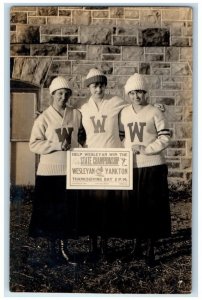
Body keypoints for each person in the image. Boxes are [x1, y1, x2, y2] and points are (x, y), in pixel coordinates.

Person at [29, 76, 84, 265]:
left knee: (66, 212)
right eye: (59, 93)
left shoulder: (76, 114)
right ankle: (52, 251)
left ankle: (64, 248)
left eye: (66, 93)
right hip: (49, 172)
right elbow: (34, 144)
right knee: (50, 213)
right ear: (52, 94)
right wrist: (54, 145)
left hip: (70, 170)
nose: (63, 97)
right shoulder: (44, 117)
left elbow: (83, 136)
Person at [119, 73, 171, 266]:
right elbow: (122, 137)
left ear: (145, 92)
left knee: (152, 208)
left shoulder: (155, 112)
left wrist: (146, 149)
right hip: (132, 167)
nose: (136, 96)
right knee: (134, 207)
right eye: (132, 93)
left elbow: (165, 138)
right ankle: (136, 246)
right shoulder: (124, 112)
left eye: (139, 92)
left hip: (153, 166)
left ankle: (150, 249)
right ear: (128, 94)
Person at [78, 68, 127, 258]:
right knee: (92, 203)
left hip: (111, 161)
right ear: (89, 87)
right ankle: (93, 245)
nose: (98, 89)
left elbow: (135, 110)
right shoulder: (82, 106)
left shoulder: (115, 102)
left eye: (101, 85)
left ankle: (105, 244)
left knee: (108, 204)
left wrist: (157, 106)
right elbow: (67, 118)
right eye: (94, 85)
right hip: (91, 161)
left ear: (105, 86)